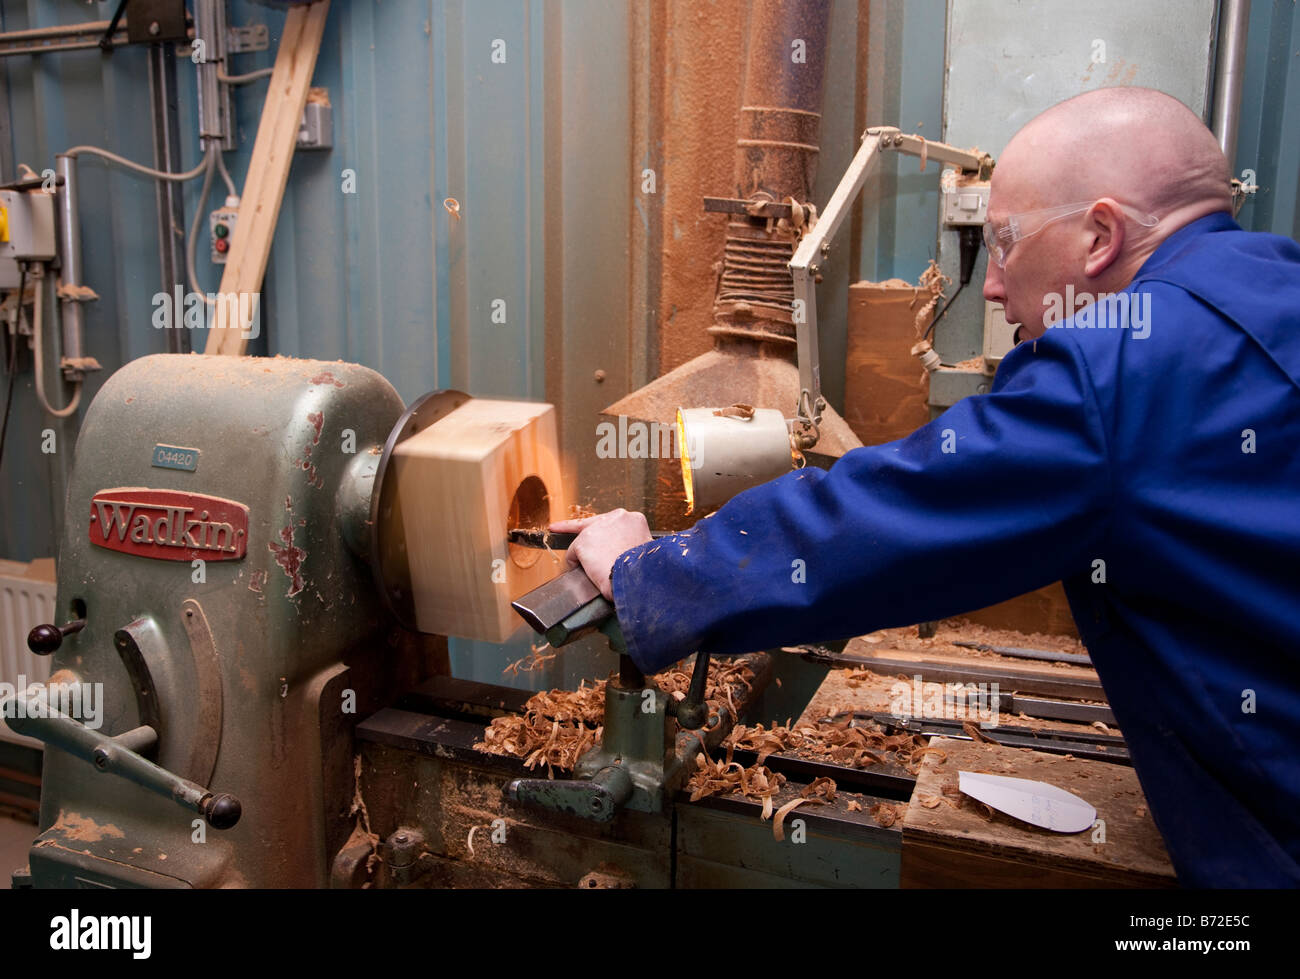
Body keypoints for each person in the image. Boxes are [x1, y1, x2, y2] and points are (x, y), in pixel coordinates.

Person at [549, 87, 1300, 888]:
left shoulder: (1120, 368)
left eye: (1004, 245)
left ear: (1100, 236)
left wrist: (653, 572)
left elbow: (894, 513)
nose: (996, 288)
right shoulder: (1272, 284)